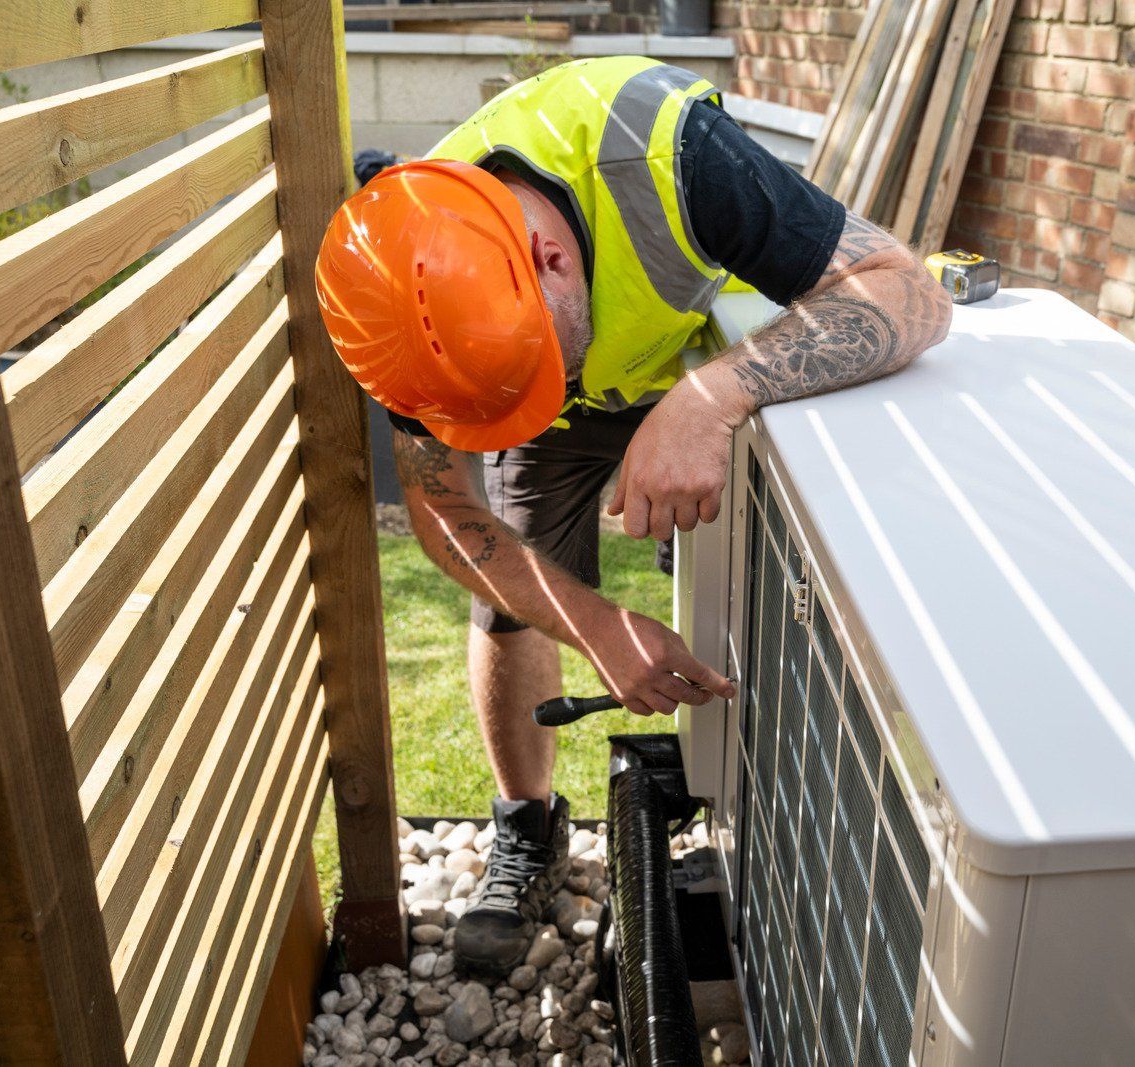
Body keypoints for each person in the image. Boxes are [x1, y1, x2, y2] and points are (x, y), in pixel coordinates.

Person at [316, 56, 951, 974]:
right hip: (577, 384)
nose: (533, 408)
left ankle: (755, 816)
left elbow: (909, 291)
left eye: (543, 374)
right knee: (512, 594)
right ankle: (525, 828)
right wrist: (596, 624)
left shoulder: (673, 153)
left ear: (551, 256)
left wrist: (708, 401)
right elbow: (448, 507)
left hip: (701, 359)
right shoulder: (402, 295)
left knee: (754, 563)